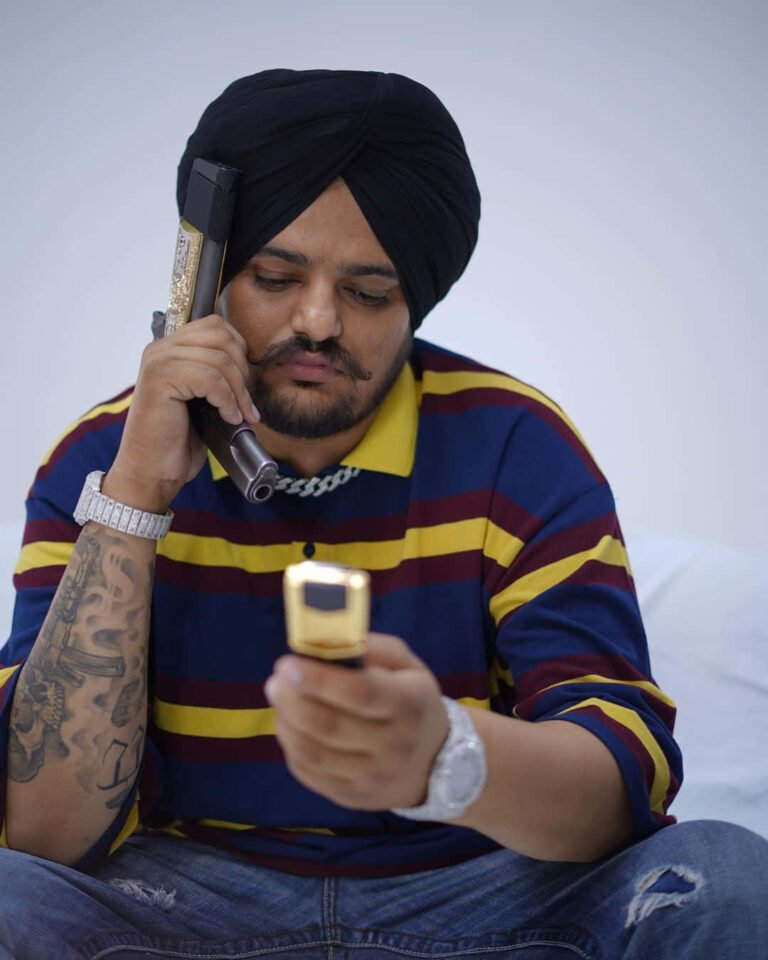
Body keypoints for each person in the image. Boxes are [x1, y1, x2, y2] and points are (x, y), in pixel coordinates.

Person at [0, 69, 765, 960]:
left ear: (417, 299)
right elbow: (43, 834)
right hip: (182, 905)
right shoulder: (100, 459)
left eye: (369, 293)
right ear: (201, 283)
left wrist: (449, 758)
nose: (318, 321)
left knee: (725, 874)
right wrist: (134, 499)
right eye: (274, 276)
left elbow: (622, 782)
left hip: (481, 895)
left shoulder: (518, 445)